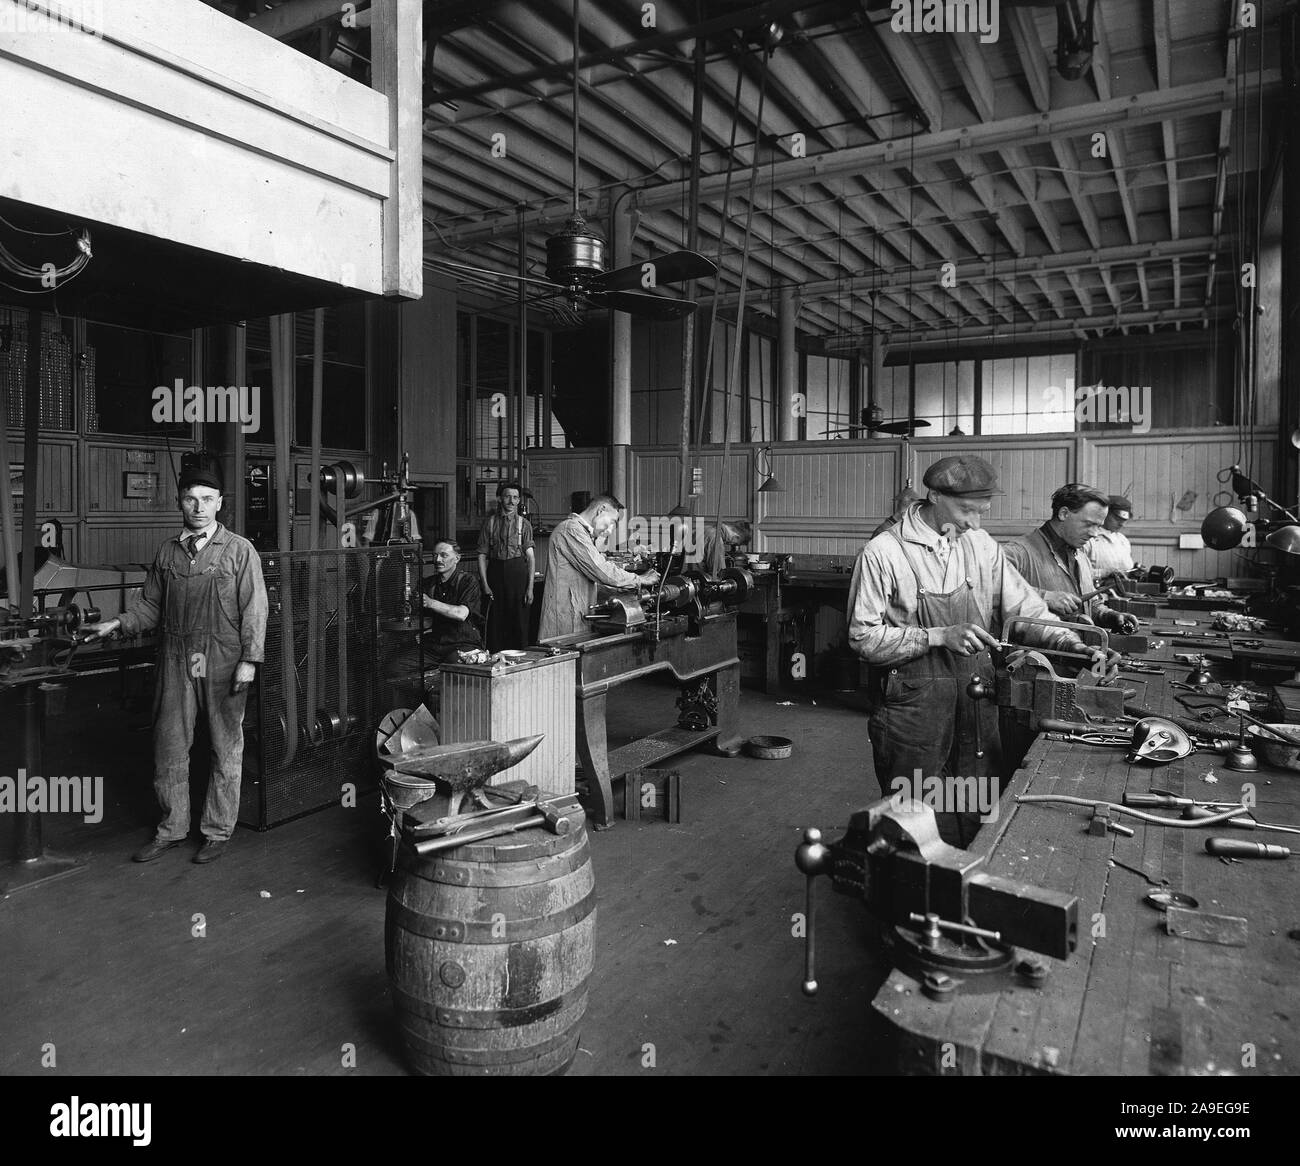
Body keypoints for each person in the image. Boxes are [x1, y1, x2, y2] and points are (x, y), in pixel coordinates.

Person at [847, 455, 1108, 845]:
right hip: (915, 706)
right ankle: (911, 896)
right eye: (967, 510)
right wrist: (936, 636)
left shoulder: (979, 545)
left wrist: (1072, 645)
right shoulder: (884, 553)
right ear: (933, 496)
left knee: (976, 799)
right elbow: (862, 638)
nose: (975, 522)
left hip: (976, 697)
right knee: (914, 808)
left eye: (982, 511)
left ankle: (966, 881)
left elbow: (1025, 609)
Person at [86, 467, 267, 865]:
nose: (198, 507)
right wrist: (117, 623)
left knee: (225, 746)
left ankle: (217, 832)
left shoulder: (239, 550)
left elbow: (255, 609)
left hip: (221, 658)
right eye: (190, 498)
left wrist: (250, 661)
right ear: (179, 502)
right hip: (175, 656)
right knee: (169, 745)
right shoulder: (167, 551)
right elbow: (150, 606)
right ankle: (172, 829)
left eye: (207, 499)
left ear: (220, 503)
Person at [1004, 484, 1140, 634]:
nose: (1095, 534)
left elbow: (1089, 604)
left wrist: (1108, 615)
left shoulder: (1080, 555)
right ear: (1064, 513)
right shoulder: (1018, 552)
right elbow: (989, 590)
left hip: (1078, 650)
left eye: (1098, 526)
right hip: (1035, 654)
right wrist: (1045, 597)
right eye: (1089, 524)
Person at [538, 493, 659, 641]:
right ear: (601, 510)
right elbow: (600, 570)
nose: (609, 530)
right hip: (564, 622)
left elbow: (591, 580)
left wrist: (622, 590)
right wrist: (639, 579)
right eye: (612, 522)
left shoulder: (583, 534)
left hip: (576, 618)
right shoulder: (570, 530)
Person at [476, 481, 535, 651]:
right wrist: (485, 585)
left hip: (517, 574)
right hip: (495, 571)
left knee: (519, 620)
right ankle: (495, 660)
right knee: (495, 620)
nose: (511, 501)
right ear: (500, 498)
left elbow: (530, 558)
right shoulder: (490, 523)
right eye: (508, 496)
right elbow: (481, 555)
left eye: (515, 497)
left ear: (518, 501)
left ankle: (520, 661)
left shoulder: (524, 524)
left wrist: (530, 588)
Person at [420, 540, 483, 663]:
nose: (438, 560)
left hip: (463, 644)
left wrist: (431, 603)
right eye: (435, 555)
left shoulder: (468, 581)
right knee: (396, 668)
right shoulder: (429, 584)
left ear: (457, 558)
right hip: (435, 645)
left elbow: (461, 614)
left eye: (444, 555)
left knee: (455, 668)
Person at [1085, 494, 1137, 584]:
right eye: (1117, 518)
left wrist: (1135, 571)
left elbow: (1127, 569)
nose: (1122, 524)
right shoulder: (1088, 538)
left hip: (1124, 592)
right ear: (1105, 514)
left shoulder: (1123, 540)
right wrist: (1105, 573)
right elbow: (1078, 574)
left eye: (1124, 520)